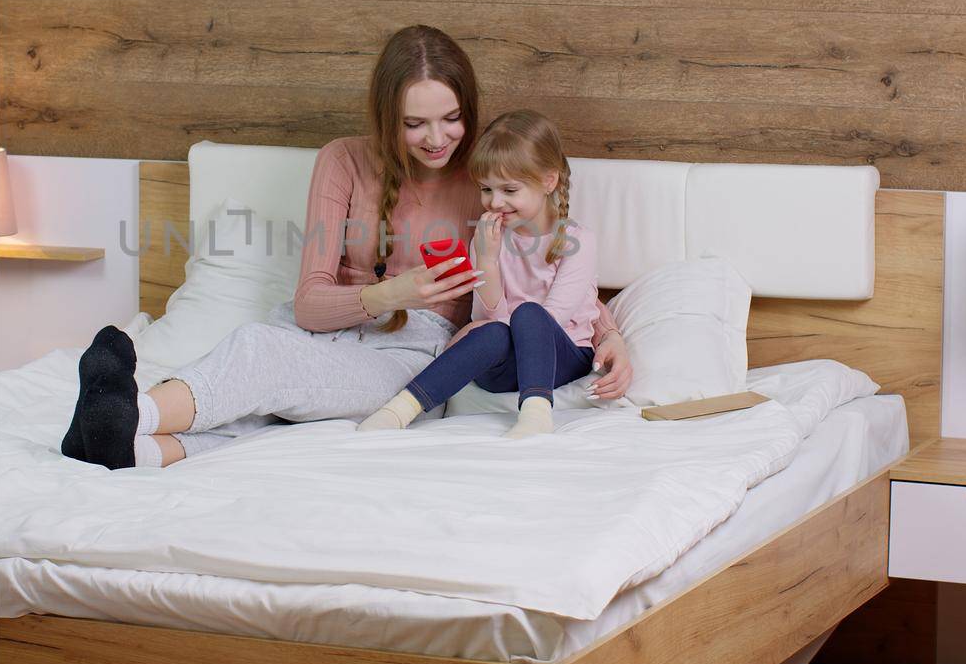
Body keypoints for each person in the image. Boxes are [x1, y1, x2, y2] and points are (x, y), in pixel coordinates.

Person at [63, 26, 633, 469]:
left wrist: (611, 338)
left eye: (452, 119)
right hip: (322, 329)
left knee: (262, 357)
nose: (437, 140)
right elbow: (310, 304)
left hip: (414, 353)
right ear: (389, 117)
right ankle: (127, 449)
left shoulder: (488, 182)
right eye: (415, 124)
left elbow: (550, 275)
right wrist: (394, 290)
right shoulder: (343, 161)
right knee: (265, 406)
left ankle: (129, 410)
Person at [357, 110, 606, 438]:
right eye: (486, 190)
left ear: (549, 180)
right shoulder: (488, 239)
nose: (495, 202)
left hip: (562, 356)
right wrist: (487, 260)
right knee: (490, 334)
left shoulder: (578, 241)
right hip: (507, 365)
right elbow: (486, 318)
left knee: (529, 314)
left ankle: (535, 415)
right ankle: (399, 410)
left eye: (509, 190)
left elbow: (553, 320)